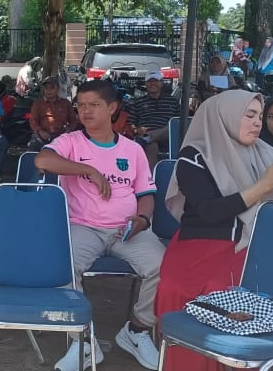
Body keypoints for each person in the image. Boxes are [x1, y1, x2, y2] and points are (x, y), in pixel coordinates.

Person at [155, 90, 273, 371]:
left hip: (249, 245)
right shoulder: (193, 157)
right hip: (198, 245)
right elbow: (210, 211)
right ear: (224, 117)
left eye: (260, 116)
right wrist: (265, 185)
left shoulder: (264, 151)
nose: (258, 122)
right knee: (174, 290)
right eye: (249, 115)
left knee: (233, 298)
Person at [35, 80, 163, 371]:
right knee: (61, 266)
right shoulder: (70, 142)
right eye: (81, 105)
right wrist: (88, 170)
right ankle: (82, 341)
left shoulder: (133, 150)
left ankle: (137, 330)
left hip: (127, 230)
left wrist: (143, 219)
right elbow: (42, 160)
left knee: (163, 265)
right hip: (83, 227)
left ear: (112, 107)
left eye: (94, 105)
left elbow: (146, 195)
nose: (86, 111)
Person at [129, 70, 181, 166]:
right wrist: (137, 130)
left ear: (161, 83)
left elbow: (179, 122)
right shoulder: (138, 102)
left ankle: (148, 137)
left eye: (156, 81)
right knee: (151, 146)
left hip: (168, 136)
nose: (152, 84)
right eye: (150, 81)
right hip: (146, 135)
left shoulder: (172, 101)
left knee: (171, 127)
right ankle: (151, 176)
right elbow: (130, 124)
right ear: (146, 84)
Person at [28, 76, 76, 149]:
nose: (48, 90)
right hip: (43, 135)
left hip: (62, 135)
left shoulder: (66, 103)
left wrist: (69, 130)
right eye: (46, 88)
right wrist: (40, 131)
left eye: (52, 88)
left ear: (58, 89)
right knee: (33, 147)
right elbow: (33, 120)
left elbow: (73, 120)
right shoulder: (38, 104)